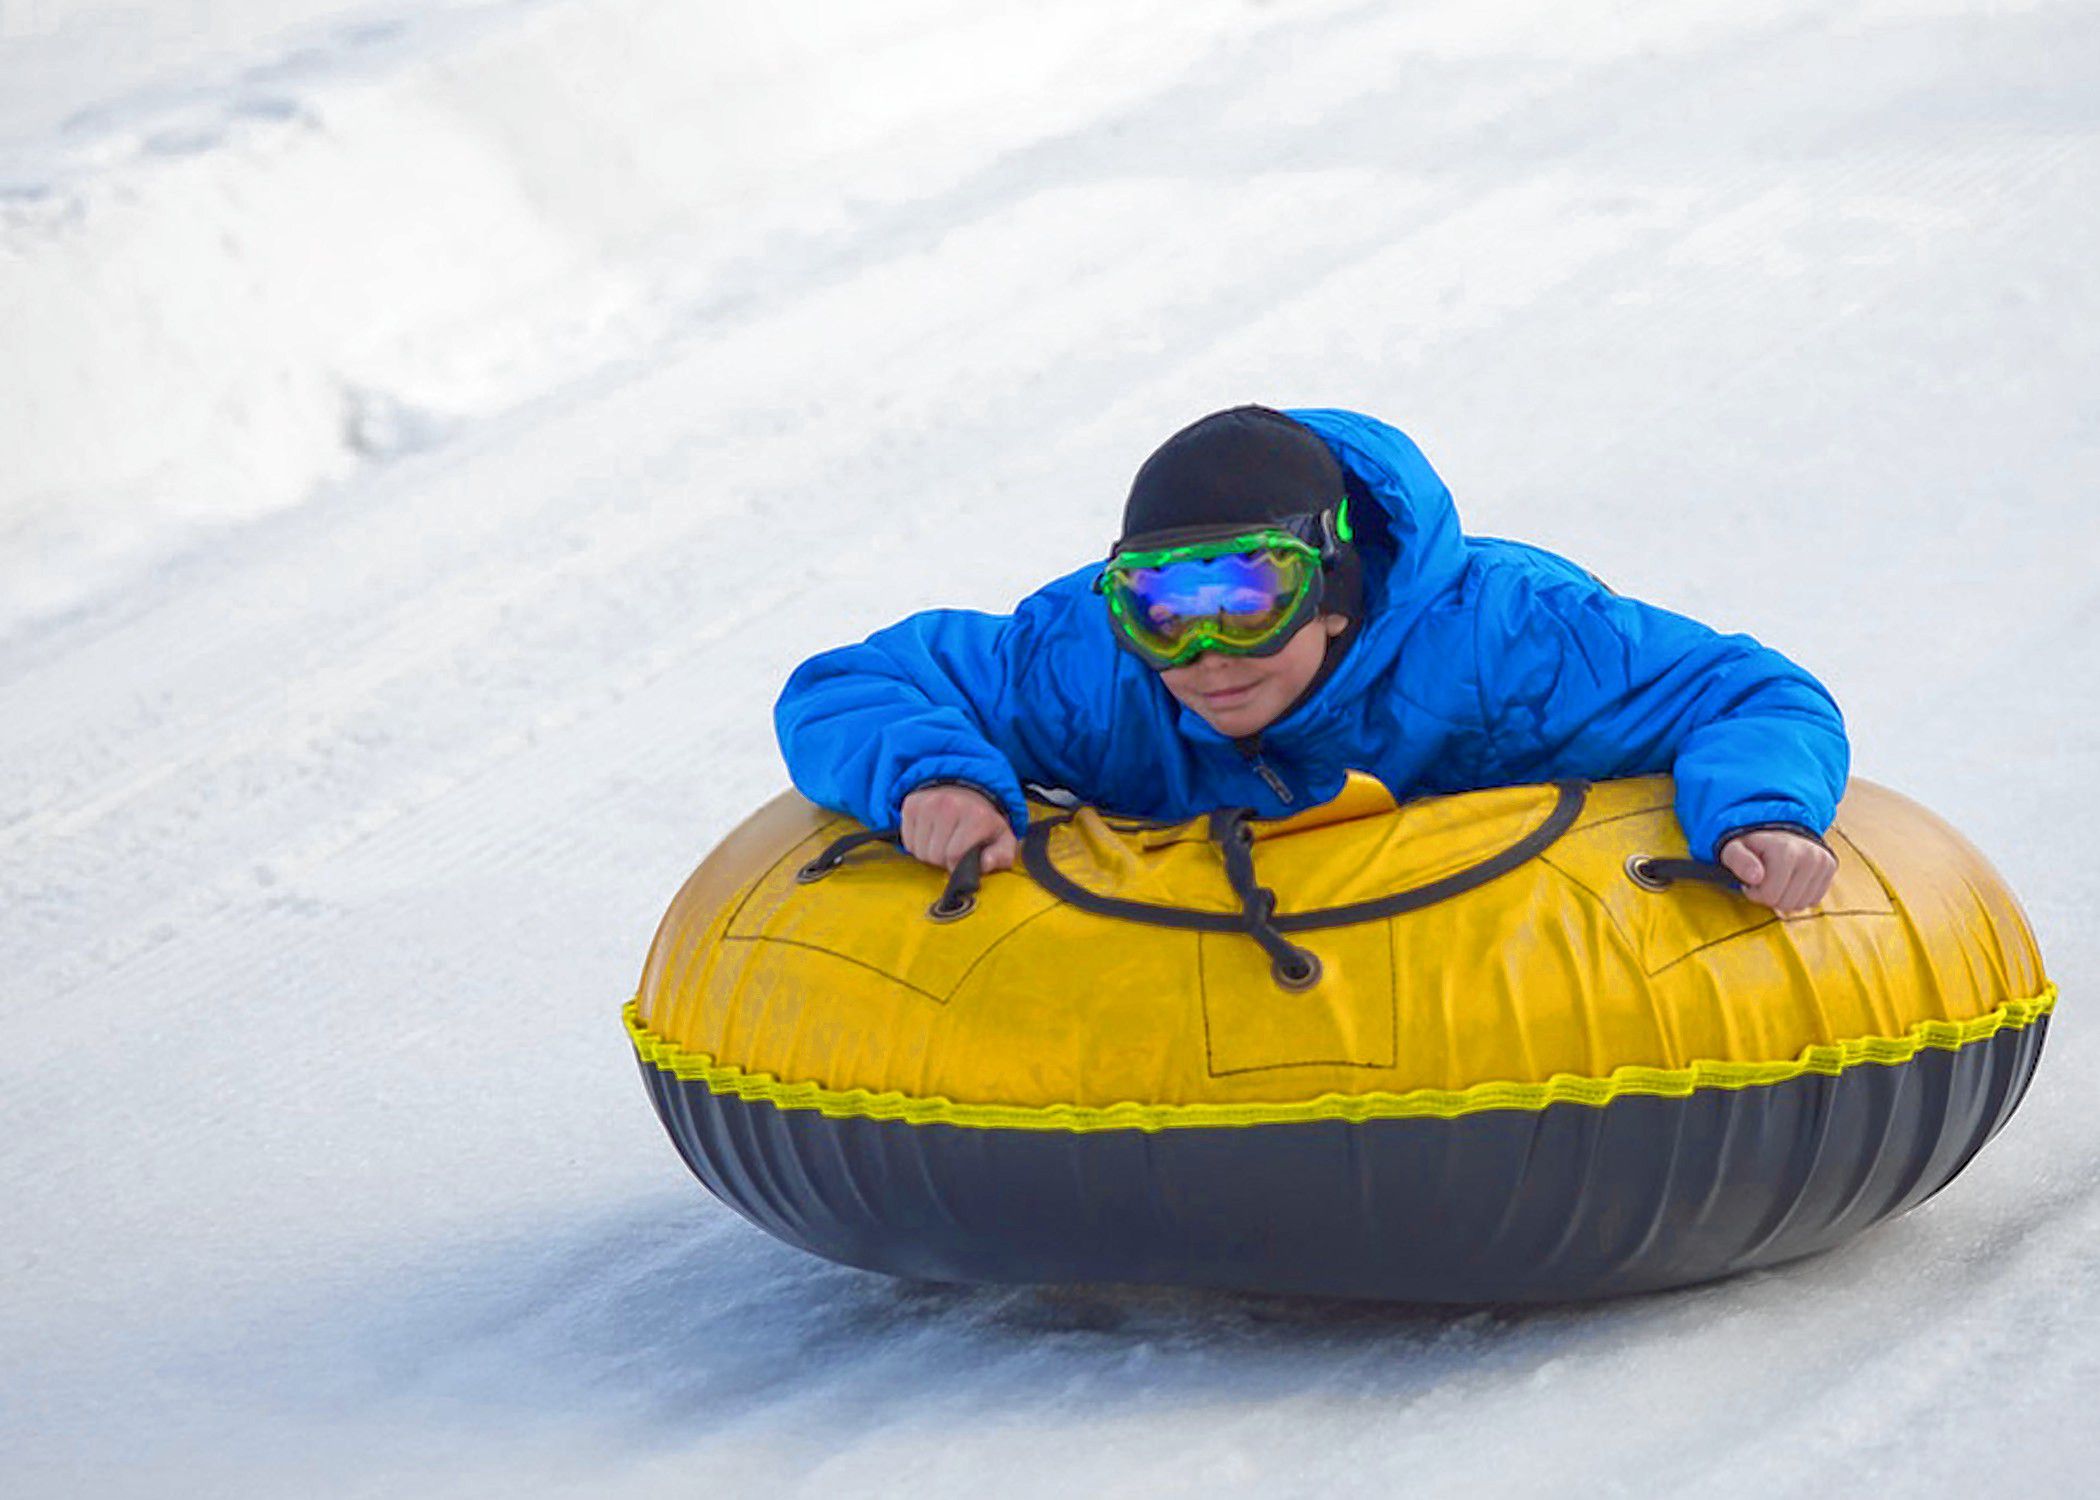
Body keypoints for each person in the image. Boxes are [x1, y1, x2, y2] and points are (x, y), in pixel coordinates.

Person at [776, 406, 1846, 913]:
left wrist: (1760, 811)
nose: (1202, 655)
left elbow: (1751, 692)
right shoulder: (1092, 666)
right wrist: (937, 777)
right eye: (1159, 608)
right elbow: (850, 682)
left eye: (1248, 600)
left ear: (1331, 590)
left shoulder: (1509, 640)